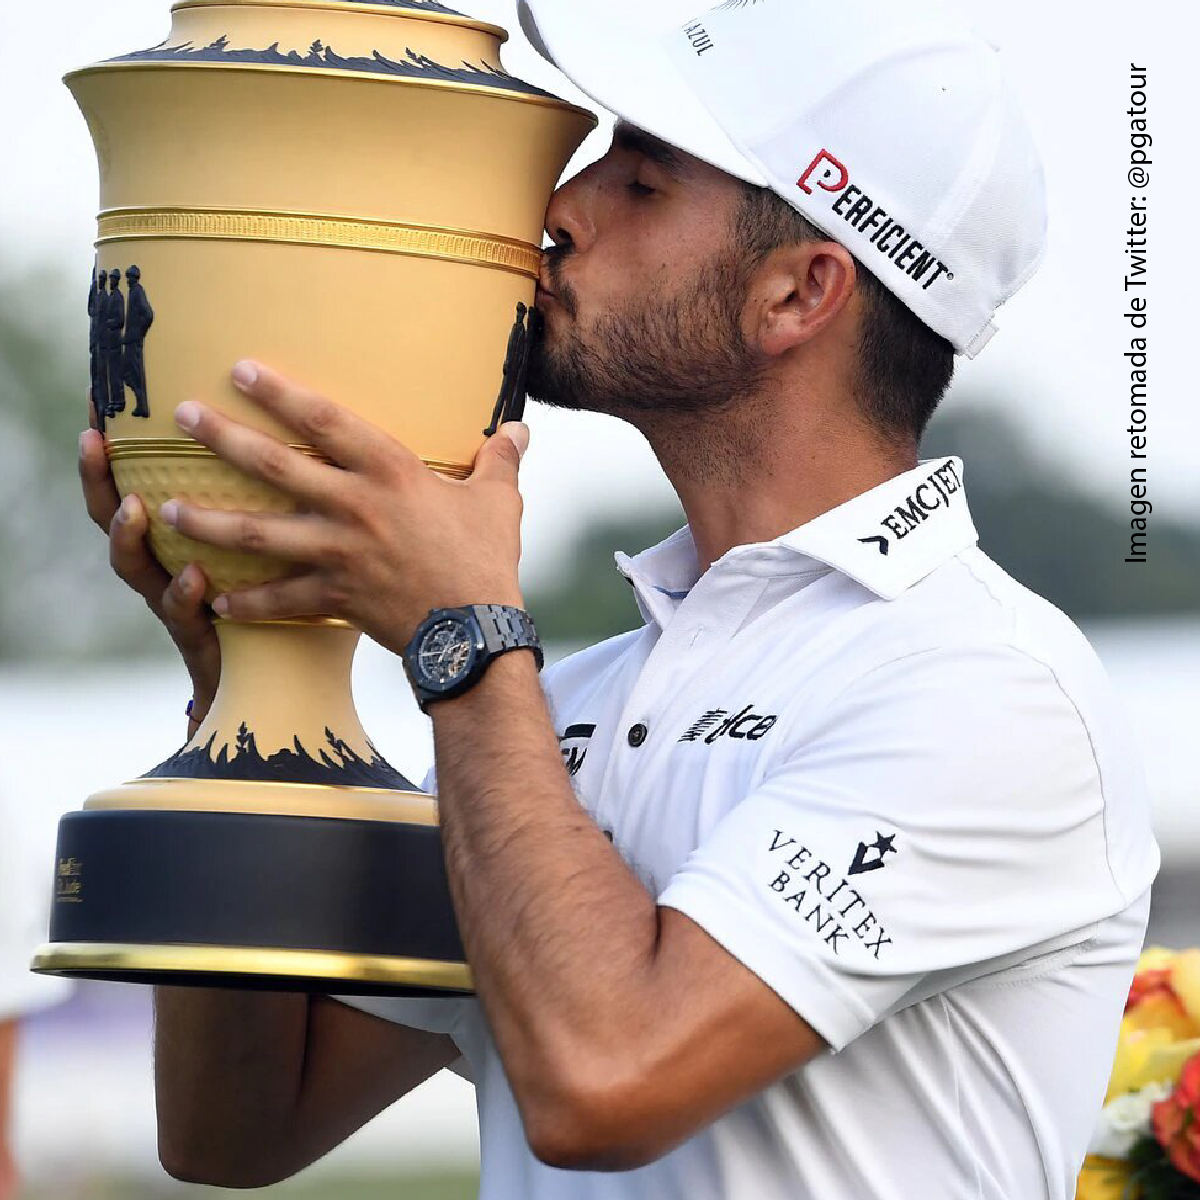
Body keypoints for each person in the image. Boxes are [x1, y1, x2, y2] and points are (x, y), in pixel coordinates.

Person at [77, 1, 1161, 1197]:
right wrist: (245, 665)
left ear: (799, 294)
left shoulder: (990, 694)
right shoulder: (570, 696)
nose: (555, 210)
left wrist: (466, 638)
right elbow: (237, 1128)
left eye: (640, 183)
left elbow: (605, 1080)